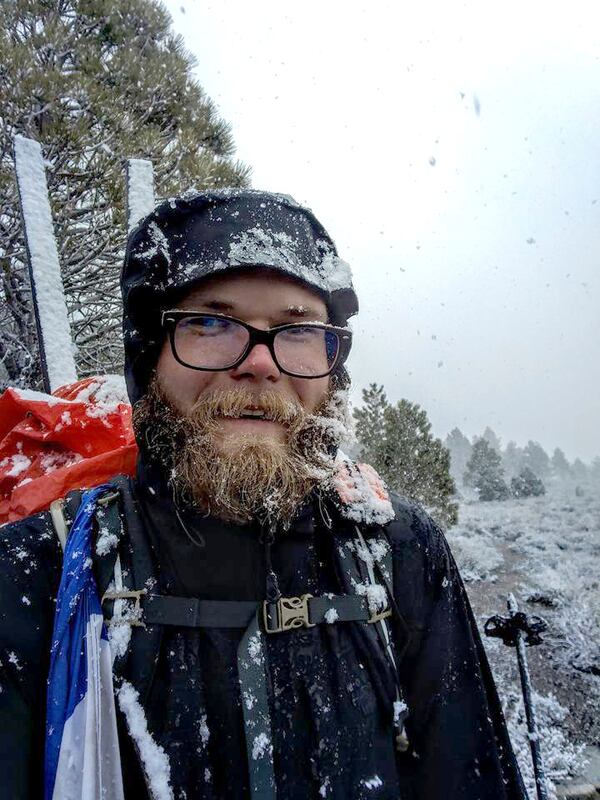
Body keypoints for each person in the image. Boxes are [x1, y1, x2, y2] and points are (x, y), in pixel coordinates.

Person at [0, 189, 528, 799]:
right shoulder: (36, 573)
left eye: (297, 329)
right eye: (210, 322)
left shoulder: (400, 554)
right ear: (149, 352)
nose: (259, 364)